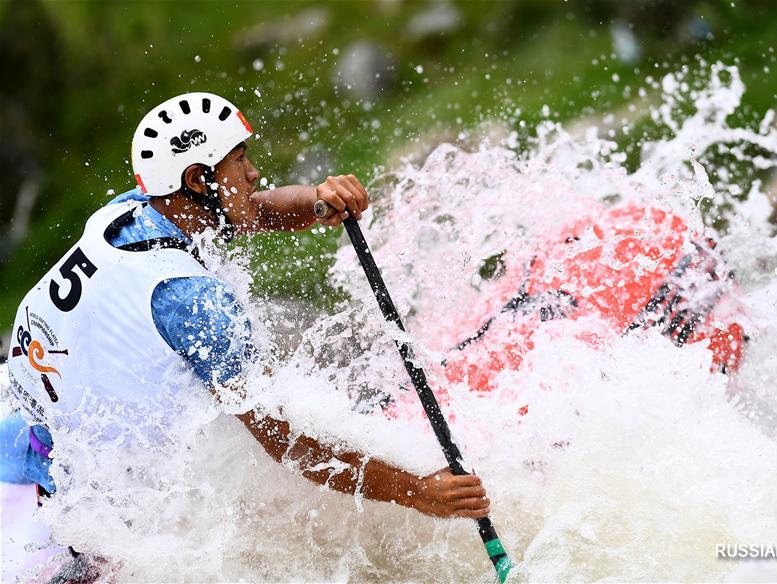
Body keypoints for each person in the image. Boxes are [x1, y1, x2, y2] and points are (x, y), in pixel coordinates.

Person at [5, 92, 491, 539]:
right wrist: (419, 492)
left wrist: (318, 200)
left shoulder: (132, 210)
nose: (255, 173)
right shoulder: (195, 302)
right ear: (198, 179)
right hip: (83, 519)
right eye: (239, 162)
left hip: (19, 442)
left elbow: (253, 209)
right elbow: (287, 443)